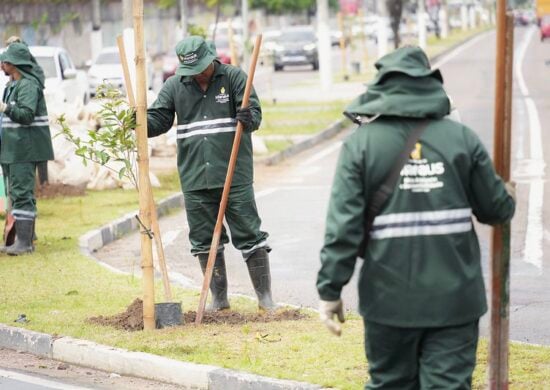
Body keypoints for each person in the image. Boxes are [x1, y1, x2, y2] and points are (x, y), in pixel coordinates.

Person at [316, 46, 516, 389]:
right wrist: (507, 192)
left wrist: (330, 290)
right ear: (430, 84)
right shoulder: (461, 139)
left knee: (390, 383)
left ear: (381, 85)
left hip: (387, 303)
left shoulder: (360, 145)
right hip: (455, 303)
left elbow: (343, 228)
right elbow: (497, 210)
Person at [145, 36, 275, 311]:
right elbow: (159, 120)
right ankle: (219, 299)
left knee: (250, 233)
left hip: (233, 172)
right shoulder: (174, 86)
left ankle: (265, 298)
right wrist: (137, 122)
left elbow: (255, 116)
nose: (198, 74)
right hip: (194, 178)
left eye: (202, 67)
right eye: (191, 70)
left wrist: (248, 117)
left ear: (212, 58)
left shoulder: (234, 78)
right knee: (204, 239)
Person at [0, 42, 54, 255]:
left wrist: (5, 107)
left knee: (22, 192)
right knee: (17, 192)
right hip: (14, 149)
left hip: (25, 149)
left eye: (5, 61)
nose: (2, 64)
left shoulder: (28, 85)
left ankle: (25, 242)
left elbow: (26, 115)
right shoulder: (13, 85)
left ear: (15, 64)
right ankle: (21, 240)